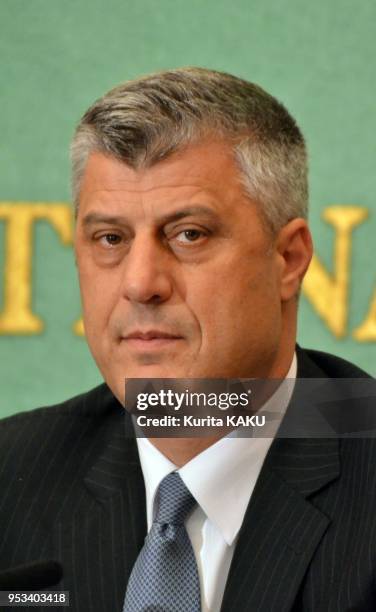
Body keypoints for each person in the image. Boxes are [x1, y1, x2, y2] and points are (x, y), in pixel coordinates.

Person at [0, 67, 375, 612]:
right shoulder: (12, 477)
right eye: (110, 238)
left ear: (288, 259)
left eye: (189, 235)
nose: (140, 283)